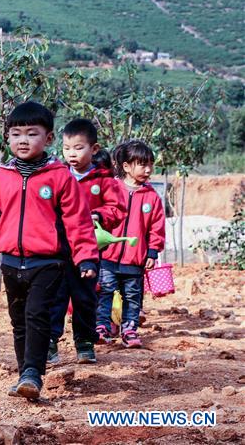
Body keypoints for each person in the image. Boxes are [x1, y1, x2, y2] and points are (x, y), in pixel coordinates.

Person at [0, 102, 99, 399]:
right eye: (16, 134)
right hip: (11, 263)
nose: (23, 140)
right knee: (19, 321)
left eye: (31, 133)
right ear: (7, 138)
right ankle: (24, 374)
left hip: (48, 262)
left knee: (37, 316)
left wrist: (86, 257)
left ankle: (32, 374)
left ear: (48, 138)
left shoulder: (60, 176)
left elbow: (78, 221)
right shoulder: (1, 176)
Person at [48, 119, 126, 366]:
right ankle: (50, 343)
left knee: (85, 297)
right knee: (55, 297)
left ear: (94, 149)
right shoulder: (57, 176)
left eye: (78, 148)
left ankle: (84, 343)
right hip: (58, 249)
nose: (72, 154)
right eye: (67, 148)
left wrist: (98, 215)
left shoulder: (104, 180)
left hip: (88, 251)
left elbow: (117, 209)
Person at [96, 140, 166, 347]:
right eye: (142, 165)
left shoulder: (152, 197)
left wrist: (152, 252)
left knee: (132, 297)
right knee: (104, 292)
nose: (148, 169)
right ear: (126, 166)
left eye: (150, 164)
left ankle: (129, 330)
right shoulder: (110, 188)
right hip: (107, 256)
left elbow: (156, 227)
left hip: (135, 259)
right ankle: (102, 327)